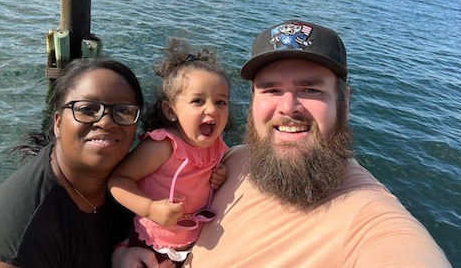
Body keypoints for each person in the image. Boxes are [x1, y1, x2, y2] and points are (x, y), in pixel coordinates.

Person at [184, 20, 451, 267]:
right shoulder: (235, 159)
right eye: (271, 90)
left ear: (344, 102)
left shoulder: (369, 220)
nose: (288, 107)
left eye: (311, 89)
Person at [0, 58, 173, 268]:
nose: (106, 121)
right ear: (58, 122)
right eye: (87, 109)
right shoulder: (10, 243)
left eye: (123, 111)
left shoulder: (138, 178)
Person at [109, 39, 229, 266]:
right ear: (171, 110)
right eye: (198, 101)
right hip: (150, 241)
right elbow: (117, 181)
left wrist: (220, 176)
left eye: (221, 102)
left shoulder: (217, 145)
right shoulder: (163, 146)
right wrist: (151, 208)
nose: (212, 109)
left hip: (191, 242)